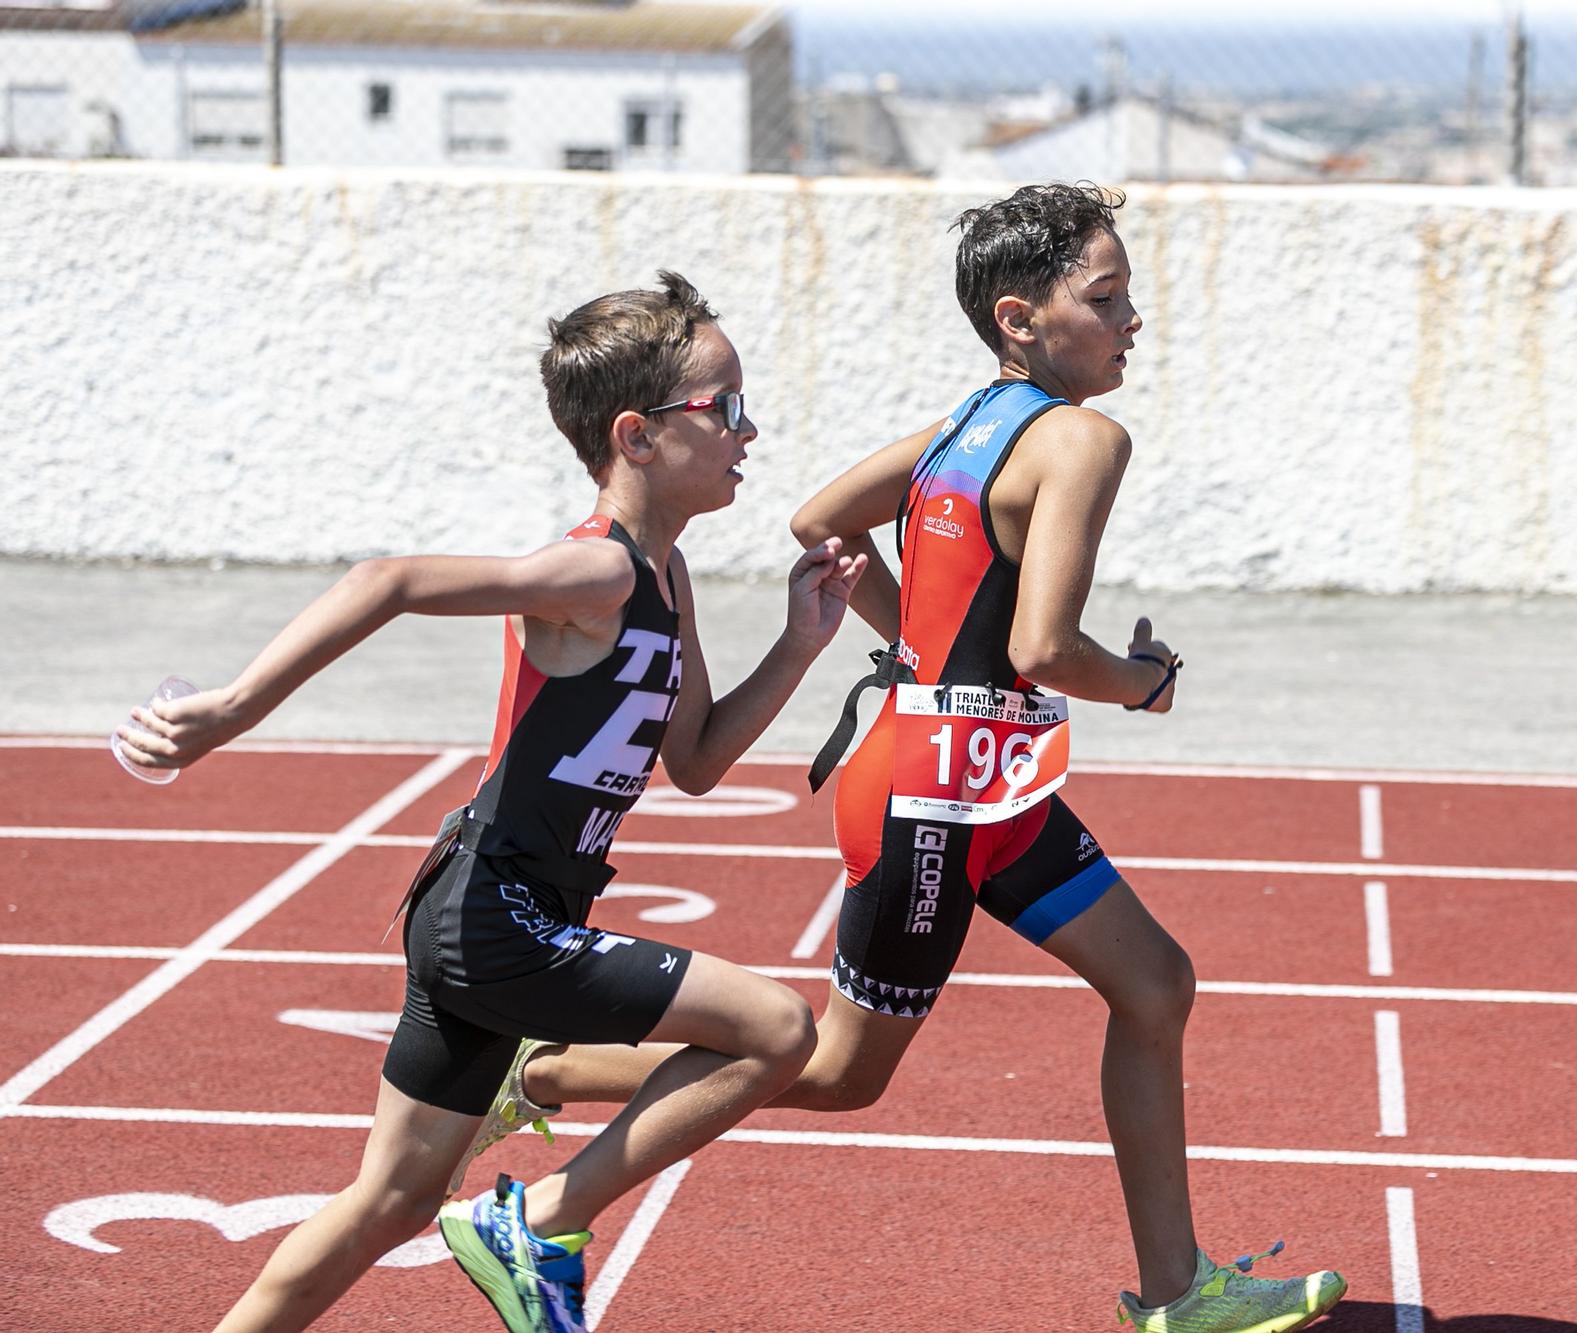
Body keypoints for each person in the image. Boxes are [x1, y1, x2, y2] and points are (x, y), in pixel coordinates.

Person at [460, 185, 1348, 1332]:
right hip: (935, 797)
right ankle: (537, 1083)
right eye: (1108, 296)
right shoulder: (1081, 437)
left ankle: (1177, 1294)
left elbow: (818, 521)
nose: (1135, 319)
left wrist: (920, 649)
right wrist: (1145, 681)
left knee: (1155, 983)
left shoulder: (967, 421)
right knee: (836, 1073)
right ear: (1020, 317)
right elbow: (1042, 643)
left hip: (994, 781)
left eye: (1130, 295)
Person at [113, 271, 863, 1333]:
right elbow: (391, 579)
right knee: (777, 1031)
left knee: (392, 1199)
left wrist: (798, 644)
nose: (751, 429)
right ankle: (540, 1218)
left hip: (486, 910)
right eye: (725, 407)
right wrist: (232, 709)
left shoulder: (664, 574)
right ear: (636, 436)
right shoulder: (595, 570)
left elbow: (692, 759)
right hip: (498, 918)